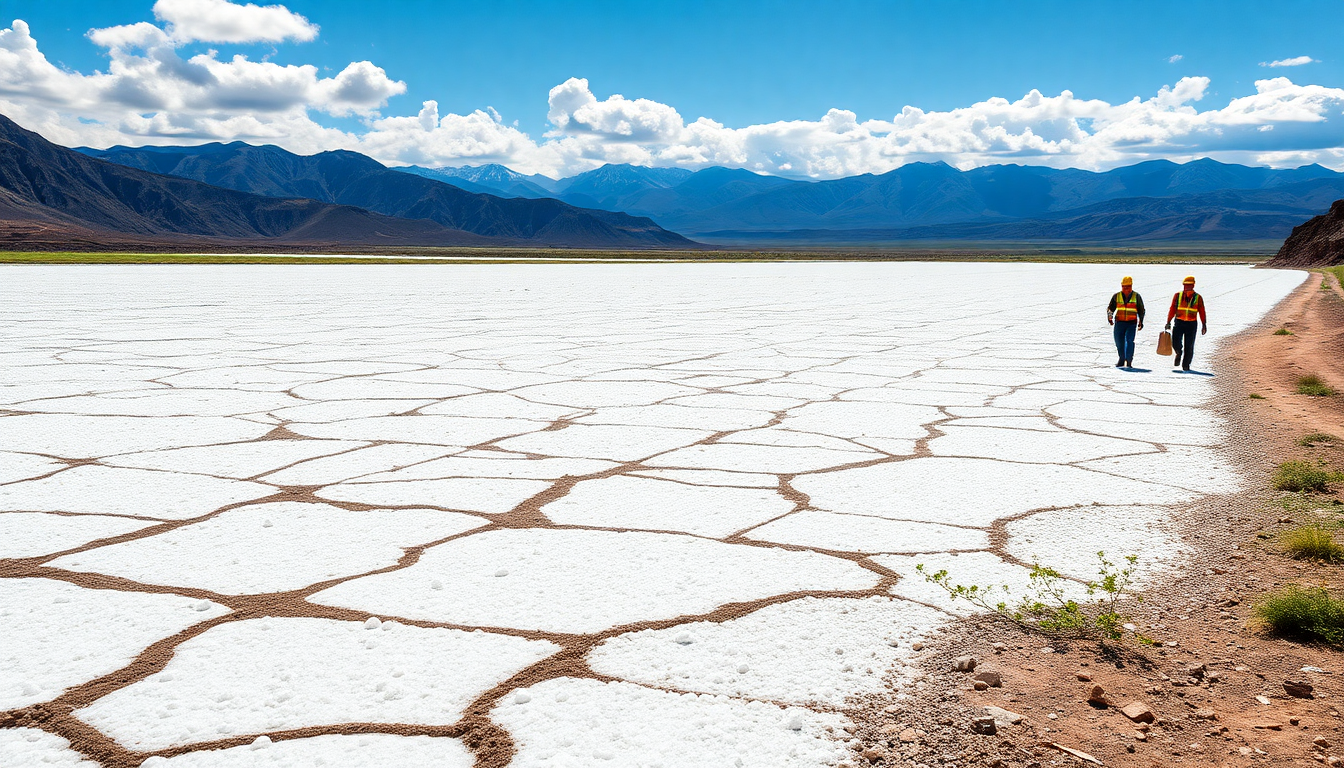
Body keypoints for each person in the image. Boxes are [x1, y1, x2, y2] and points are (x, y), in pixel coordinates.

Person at [1165, 275, 1207, 371]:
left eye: (1189, 285)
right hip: (1179, 322)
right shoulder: (1177, 296)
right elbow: (1172, 309)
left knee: (1189, 346)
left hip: (1191, 324)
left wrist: (1204, 324)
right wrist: (1168, 321)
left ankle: (1186, 365)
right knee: (1175, 342)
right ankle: (1178, 353)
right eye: (1185, 285)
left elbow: (1202, 311)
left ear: (1193, 286)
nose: (1187, 287)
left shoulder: (1198, 297)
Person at [1106, 276, 1145, 367]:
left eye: (1127, 287)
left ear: (1131, 286)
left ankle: (1129, 360)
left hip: (1131, 323)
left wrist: (1141, 321)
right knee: (1119, 342)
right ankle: (1121, 358)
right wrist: (1110, 317)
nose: (1125, 289)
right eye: (1124, 287)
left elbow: (1141, 310)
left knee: (1129, 341)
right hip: (1119, 322)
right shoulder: (1116, 296)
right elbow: (1110, 309)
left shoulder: (1136, 296)